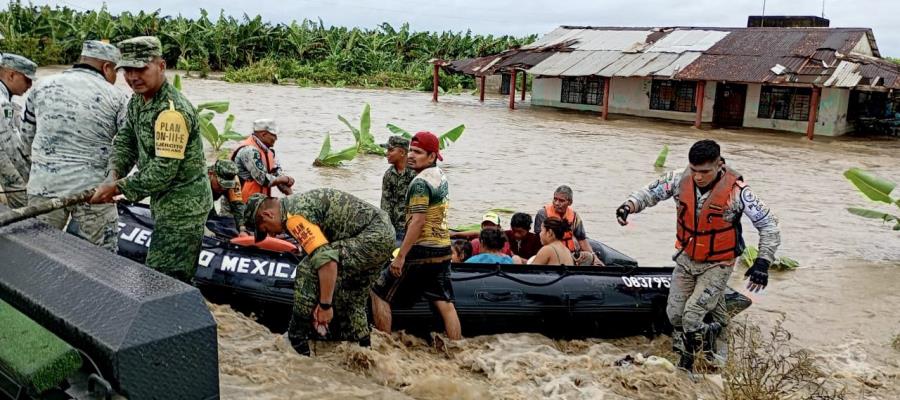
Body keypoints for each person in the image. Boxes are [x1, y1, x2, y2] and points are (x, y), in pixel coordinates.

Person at [615, 139, 780, 372]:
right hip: (686, 259)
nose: (698, 177)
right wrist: (629, 206)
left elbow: (769, 225)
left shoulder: (739, 192)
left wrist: (763, 262)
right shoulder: (678, 179)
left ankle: (691, 364)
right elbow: (649, 193)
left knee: (692, 316)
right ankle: (705, 337)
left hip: (718, 264)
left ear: (719, 165)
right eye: (694, 170)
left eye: (704, 172)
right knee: (674, 314)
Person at [91, 36, 213, 282]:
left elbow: (162, 171)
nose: (133, 77)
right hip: (162, 202)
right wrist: (113, 173)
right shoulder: (138, 101)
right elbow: (126, 141)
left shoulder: (172, 112)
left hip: (183, 209)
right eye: (127, 70)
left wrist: (118, 188)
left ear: (161, 66)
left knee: (163, 279)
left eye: (141, 69)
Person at [243, 190, 395, 356]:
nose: (272, 235)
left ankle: (296, 339)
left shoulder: (294, 218)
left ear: (268, 214)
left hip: (373, 236)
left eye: (265, 229)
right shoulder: (295, 205)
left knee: (306, 269)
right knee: (352, 296)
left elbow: (328, 262)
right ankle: (363, 352)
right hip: (384, 234)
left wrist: (325, 306)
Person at [21, 41, 127, 251]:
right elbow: (127, 146)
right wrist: (117, 181)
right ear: (107, 67)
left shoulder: (41, 86)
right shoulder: (117, 97)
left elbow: (26, 139)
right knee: (99, 261)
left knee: (37, 255)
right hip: (94, 194)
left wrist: (38, 172)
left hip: (44, 188)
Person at [371, 131, 461, 340]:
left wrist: (401, 256)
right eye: (411, 150)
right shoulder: (440, 176)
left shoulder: (420, 183)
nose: (411, 155)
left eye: (418, 152)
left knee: (378, 291)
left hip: (421, 249)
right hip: (443, 248)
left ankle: (383, 347)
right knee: (445, 303)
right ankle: (457, 347)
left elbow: (418, 221)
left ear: (431, 157)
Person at [0, 53, 36, 208]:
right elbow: (8, 147)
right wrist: (25, 175)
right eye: (27, 80)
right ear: (11, 75)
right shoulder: (2, 103)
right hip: (7, 165)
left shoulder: (6, 99)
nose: (30, 86)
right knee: (23, 209)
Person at [534, 185, 601, 266]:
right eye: (555, 199)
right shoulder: (543, 214)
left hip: (570, 254)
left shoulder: (574, 216)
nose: (557, 203)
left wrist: (595, 258)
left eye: (561, 201)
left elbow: (582, 240)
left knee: (589, 257)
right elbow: (539, 239)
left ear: (570, 202)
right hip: (552, 253)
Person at [230, 118, 295, 201]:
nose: (276, 138)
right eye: (274, 135)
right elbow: (263, 179)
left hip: (258, 203)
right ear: (264, 134)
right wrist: (284, 179)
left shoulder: (269, 151)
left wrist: (291, 196)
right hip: (240, 204)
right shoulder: (249, 150)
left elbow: (277, 174)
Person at [380, 135, 416, 245]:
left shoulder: (415, 173)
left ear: (402, 153)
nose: (387, 153)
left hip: (412, 228)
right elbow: (385, 203)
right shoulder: (389, 174)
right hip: (394, 228)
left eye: (391, 150)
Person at [207, 159, 246, 234]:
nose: (223, 189)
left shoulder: (234, 180)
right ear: (211, 174)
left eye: (227, 186)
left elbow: (238, 206)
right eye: (220, 185)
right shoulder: (202, 179)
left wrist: (242, 228)